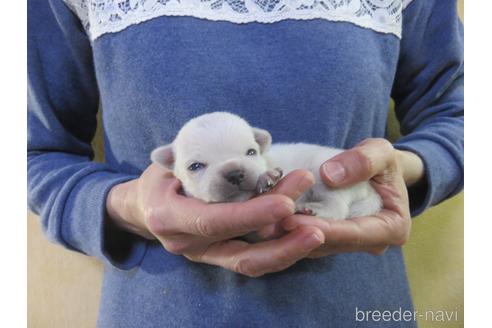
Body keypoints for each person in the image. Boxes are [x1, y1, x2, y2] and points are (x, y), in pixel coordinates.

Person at [27, 0, 463, 327]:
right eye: (198, 166)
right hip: (165, 311)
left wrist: (396, 173)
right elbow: (34, 154)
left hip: (354, 307)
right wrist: (129, 207)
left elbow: (463, 119)